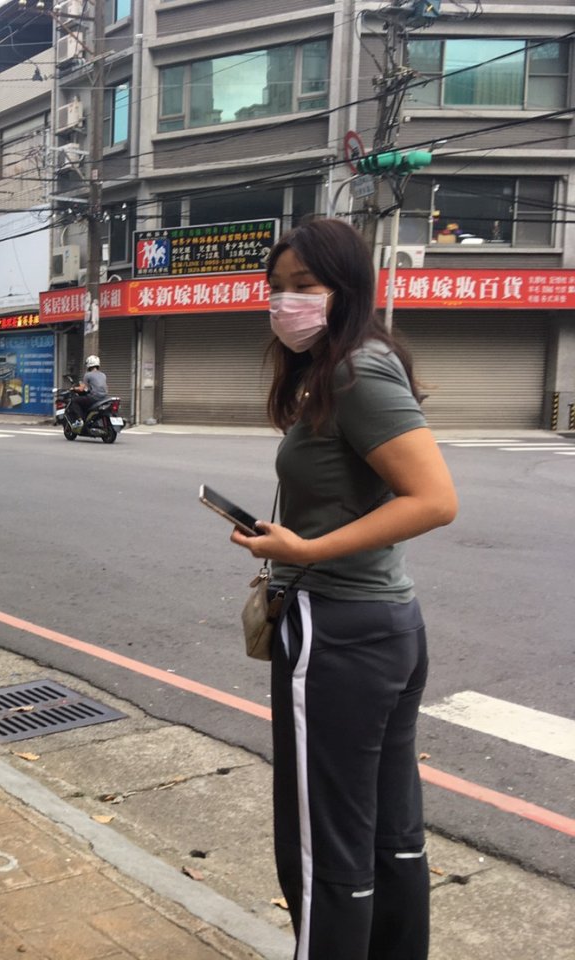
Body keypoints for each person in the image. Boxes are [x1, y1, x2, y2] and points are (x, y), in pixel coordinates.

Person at [231, 218, 458, 960]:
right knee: (391, 834)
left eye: (304, 285)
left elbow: (434, 499)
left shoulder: (355, 372)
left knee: (322, 846)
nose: (285, 301)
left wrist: (307, 550)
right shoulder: (344, 370)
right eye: (276, 287)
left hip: (336, 632)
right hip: (382, 626)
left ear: (347, 288)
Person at [69, 354, 107, 421]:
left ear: (89, 364)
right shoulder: (103, 375)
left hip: (94, 398)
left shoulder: (88, 375)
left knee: (74, 401)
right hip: (104, 398)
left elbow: (81, 389)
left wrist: (73, 388)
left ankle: (79, 420)